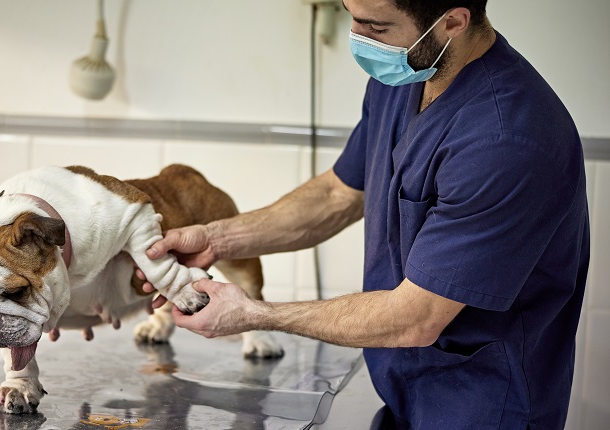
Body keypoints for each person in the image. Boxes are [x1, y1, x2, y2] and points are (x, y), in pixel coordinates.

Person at [139, 0, 590, 428]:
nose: (358, 37)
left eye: (375, 27)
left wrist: (254, 313)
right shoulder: (405, 74)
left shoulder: (507, 139)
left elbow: (416, 317)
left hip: (484, 405)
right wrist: (216, 239)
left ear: (452, 23)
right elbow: (337, 194)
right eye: (350, 17)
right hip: (404, 390)